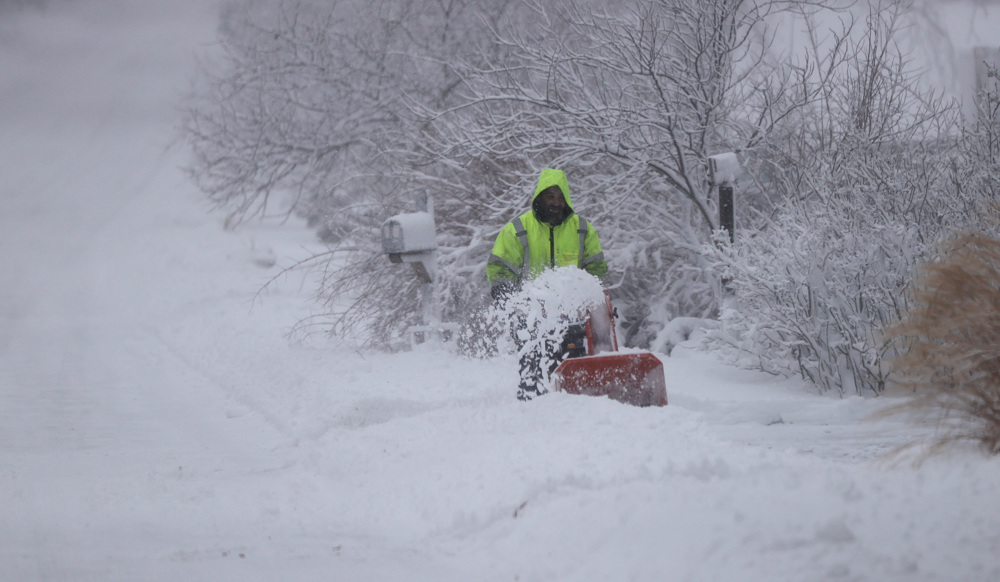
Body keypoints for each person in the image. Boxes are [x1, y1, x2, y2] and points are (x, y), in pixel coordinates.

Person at [486, 168, 608, 401]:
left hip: (572, 314)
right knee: (534, 366)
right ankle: (533, 407)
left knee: (574, 364)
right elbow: (500, 266)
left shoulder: (582, 229)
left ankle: (575, 405)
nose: (556, 202)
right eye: (550, 196)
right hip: (531, 316)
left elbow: (596, 268)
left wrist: (590, 289)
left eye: (560, 197)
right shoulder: (518, 229)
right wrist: (505, 292)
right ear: (540, 197)